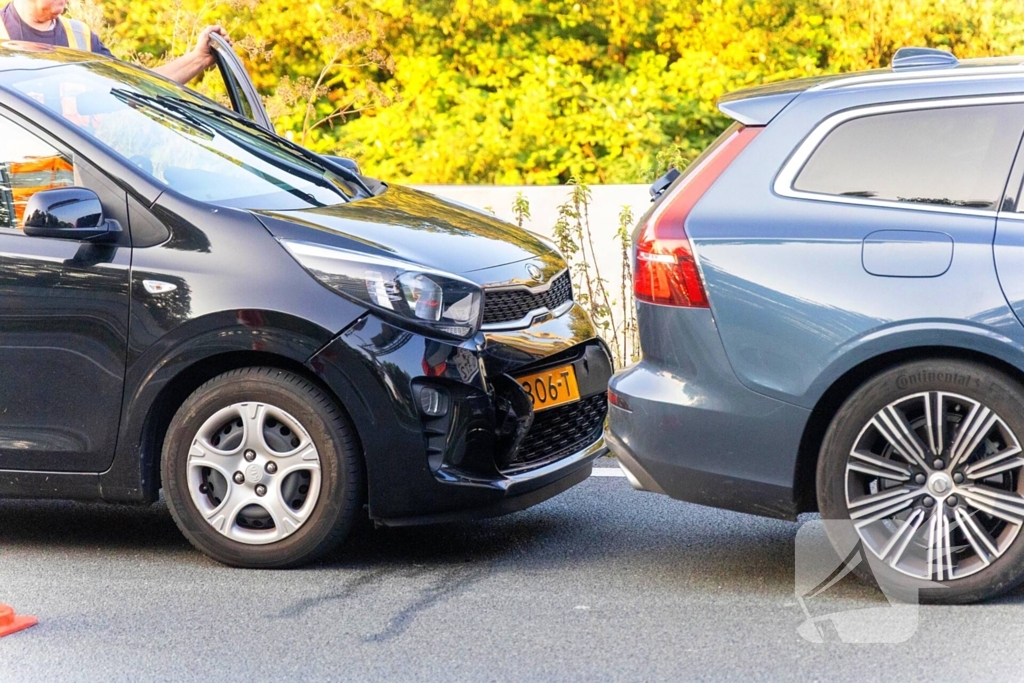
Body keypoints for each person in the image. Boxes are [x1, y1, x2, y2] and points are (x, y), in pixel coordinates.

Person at [0, 0, 229, 84]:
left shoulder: (82, 37)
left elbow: (134, 88)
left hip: (80, 185)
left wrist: (198, 59)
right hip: (13, 187)